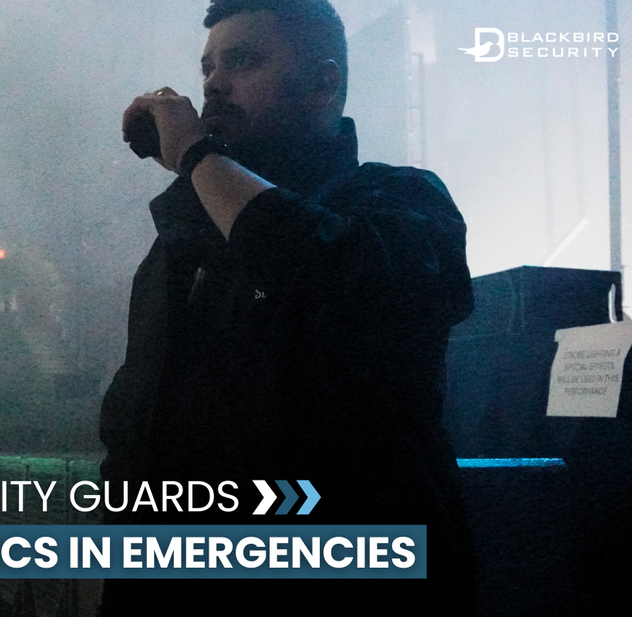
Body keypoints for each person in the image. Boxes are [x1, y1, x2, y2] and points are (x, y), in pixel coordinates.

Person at [100, 0, 475, 614]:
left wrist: (197, 158)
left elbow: (319, 276)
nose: (213, 85)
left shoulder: (401, 200)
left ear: (324, 84)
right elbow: (138, 424)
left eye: (242, 61)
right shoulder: (180, 243)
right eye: (207, 68)